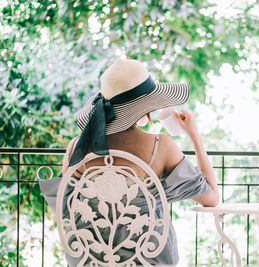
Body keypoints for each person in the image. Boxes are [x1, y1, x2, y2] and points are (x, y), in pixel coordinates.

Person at [39, 58, 219, 266]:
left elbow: (66, 211)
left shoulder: (75, 149)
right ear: (145, 106)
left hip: (90, 261)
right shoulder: (161, 146)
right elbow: (211, 198)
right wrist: (195, 136)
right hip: (149, 260)